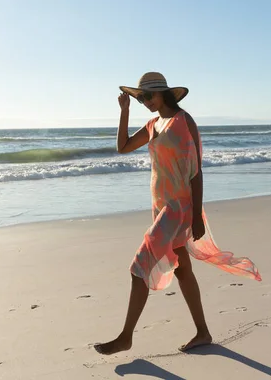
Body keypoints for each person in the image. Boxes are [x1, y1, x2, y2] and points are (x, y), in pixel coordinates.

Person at [94, 72, 261, 355]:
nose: (145, 101)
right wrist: (124, 112)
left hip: (178, 208)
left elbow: (195, 173)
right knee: (183, 268)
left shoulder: (184, 122)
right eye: (141, 97)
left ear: (164, 94)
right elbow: (122, 147)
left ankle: (125, 337)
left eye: (148, 96)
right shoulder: (152, 124)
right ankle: (203, 332)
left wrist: (196, 216)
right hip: (160, 205)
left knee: (139, 267)